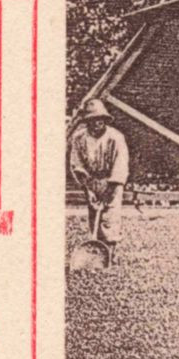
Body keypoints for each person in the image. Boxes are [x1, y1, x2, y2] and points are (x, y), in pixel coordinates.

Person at [68, 99, 131, 258]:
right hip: (90, 180)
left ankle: (110, 251)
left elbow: (120, 164)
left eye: (101, 119)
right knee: (94, 213)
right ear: (87, 121)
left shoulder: (116, 137)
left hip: (111, 180)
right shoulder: (79, 138)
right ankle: (96, 251)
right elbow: (77, 164)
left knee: (110, 216)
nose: (98, 123)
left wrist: (110, 188)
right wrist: (88, 189)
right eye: (93, 120)